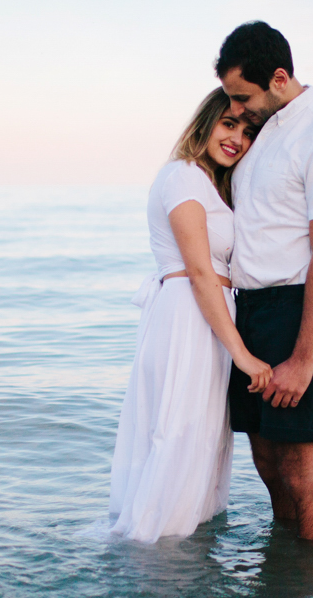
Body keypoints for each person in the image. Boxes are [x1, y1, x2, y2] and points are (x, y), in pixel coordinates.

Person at [107, 88, 275, 543]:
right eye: (228, 125)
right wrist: (242, 355)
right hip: (189, 317)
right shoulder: (183, 176)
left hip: (204, 319)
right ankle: (156, 558)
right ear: (204, 123)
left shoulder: (208, 184)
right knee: (178, 436)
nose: (237, 139)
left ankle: (176, 564)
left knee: (195, 440)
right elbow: (201, 272)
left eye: (247, 131)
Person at [215, 22, 313, 541]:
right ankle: (284, 593)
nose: (236, 108)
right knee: (268, 465)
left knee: (302, 472)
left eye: (242, 96)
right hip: (251, 312)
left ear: (279, 78)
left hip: (300, 311)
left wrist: (303, 359)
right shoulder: (259, 138)